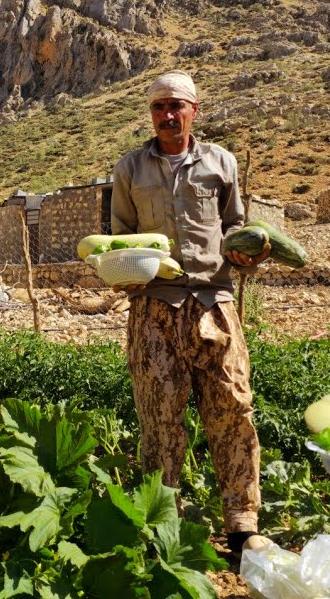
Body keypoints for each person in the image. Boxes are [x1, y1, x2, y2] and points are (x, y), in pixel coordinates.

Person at [111, 70, 272, 557]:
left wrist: (248, 254)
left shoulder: (222, 162)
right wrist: (122, 271)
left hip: (214, 301)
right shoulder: (130, 168)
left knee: (233, 408)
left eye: (176, 105)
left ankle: (242, 523)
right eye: (159, 106)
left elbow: (236, 226)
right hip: (155, 305)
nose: (167, 114)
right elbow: (119, 237)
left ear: (193, 110)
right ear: (151, 113)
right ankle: (164, 522)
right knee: (159, 417)